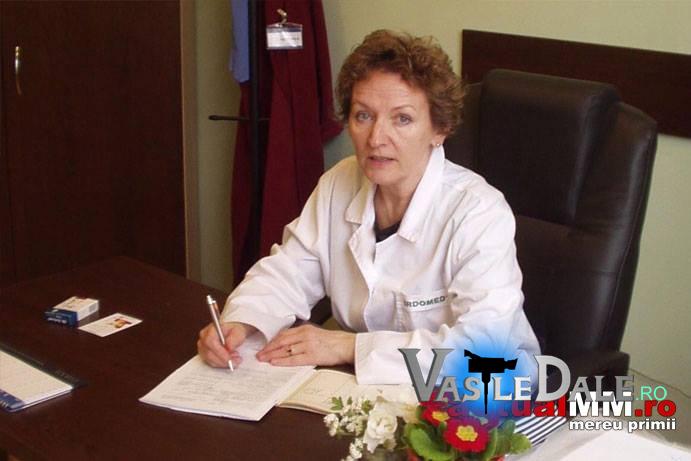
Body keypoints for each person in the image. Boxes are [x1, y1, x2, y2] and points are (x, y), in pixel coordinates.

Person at [198, 30, 540, 384]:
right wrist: (241, 322)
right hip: (368, 384)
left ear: (439, 129)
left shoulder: (478, 212)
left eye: (402, 119)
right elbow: (288, 272)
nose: (376, 138)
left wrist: (350, 347)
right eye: (363, 116)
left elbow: (482, 350)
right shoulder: (338, 183)